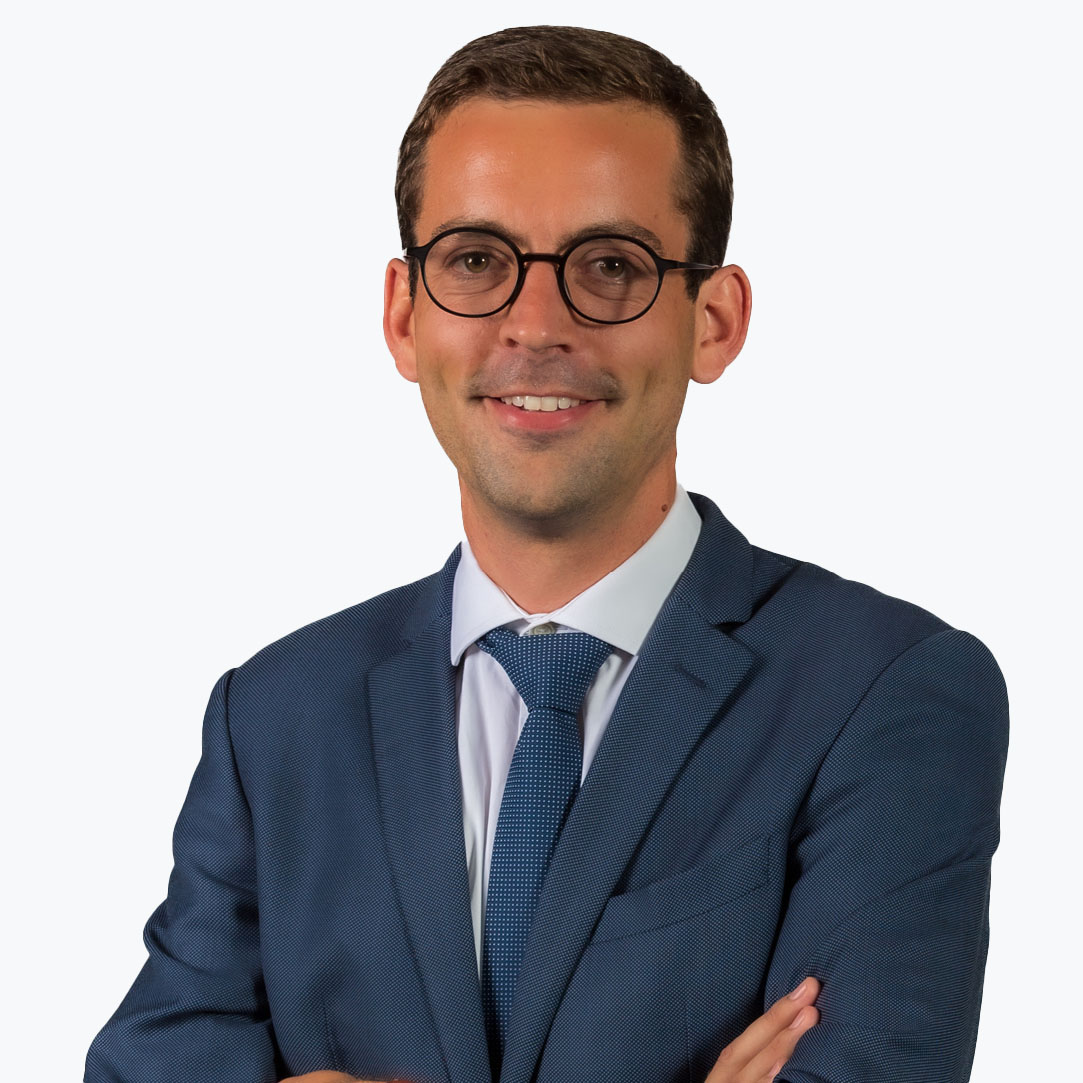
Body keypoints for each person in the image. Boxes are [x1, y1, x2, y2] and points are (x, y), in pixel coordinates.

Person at [85, 25, 1008, 1083]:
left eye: (609, 267)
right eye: (476, 260)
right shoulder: (275, 716)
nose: (534, 324)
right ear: (404, 316)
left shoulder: (886, 693)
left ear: (713, 320)